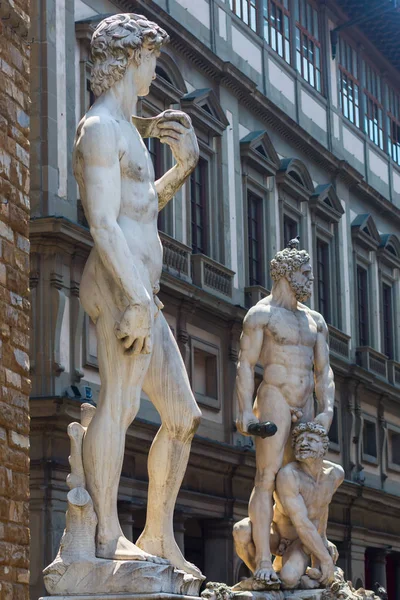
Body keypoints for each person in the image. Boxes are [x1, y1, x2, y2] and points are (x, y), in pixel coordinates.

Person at [73, 13, 202, 577]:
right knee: (120, 405)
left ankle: (156, 532)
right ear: (130, 57)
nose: (155, 68)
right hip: (120, 287)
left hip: (144, 292)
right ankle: (105, 535)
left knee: (183, 415)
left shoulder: (128, 130)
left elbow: (139, 206)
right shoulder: (99, 127)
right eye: (152, 57)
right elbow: (102, 223)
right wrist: (136, 301)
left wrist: (185, 167)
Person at [235, 239, 335, 586]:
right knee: (267, 476)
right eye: (306, 272)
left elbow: (324, 372)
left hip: (305, 403)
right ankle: (264, 558)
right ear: (288, 273)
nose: (311, 278)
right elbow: (245, 365)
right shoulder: (261, 314)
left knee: (304, 476)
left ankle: (304, 546)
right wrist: (245, 412)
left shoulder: (316, 321)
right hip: (275, 396)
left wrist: (328, 411)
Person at [234, 422, 344, 590]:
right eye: (299, 440)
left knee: (289, 579)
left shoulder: (336, 474)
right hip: (277, 534)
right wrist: (326, 559)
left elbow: (322, 506)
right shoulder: (289, 475)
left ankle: (297, 578)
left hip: (302, 541)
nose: (304, 443)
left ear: (324, 446)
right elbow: (300, 521)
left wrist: (323, 540)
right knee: (241, 530)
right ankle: (264, 579)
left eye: (311, 440)